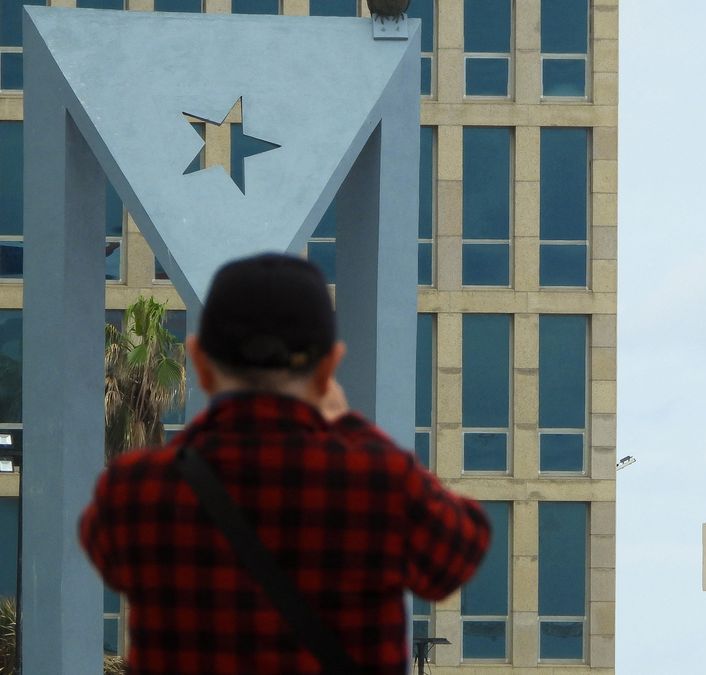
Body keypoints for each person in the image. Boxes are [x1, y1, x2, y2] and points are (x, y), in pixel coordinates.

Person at [80, 253, 491, 674]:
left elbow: (106, 555)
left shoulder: (135, 492)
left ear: (199, 361)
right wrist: (350, 425)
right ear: (329, 365)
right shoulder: (380, 483)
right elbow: (461, 550)